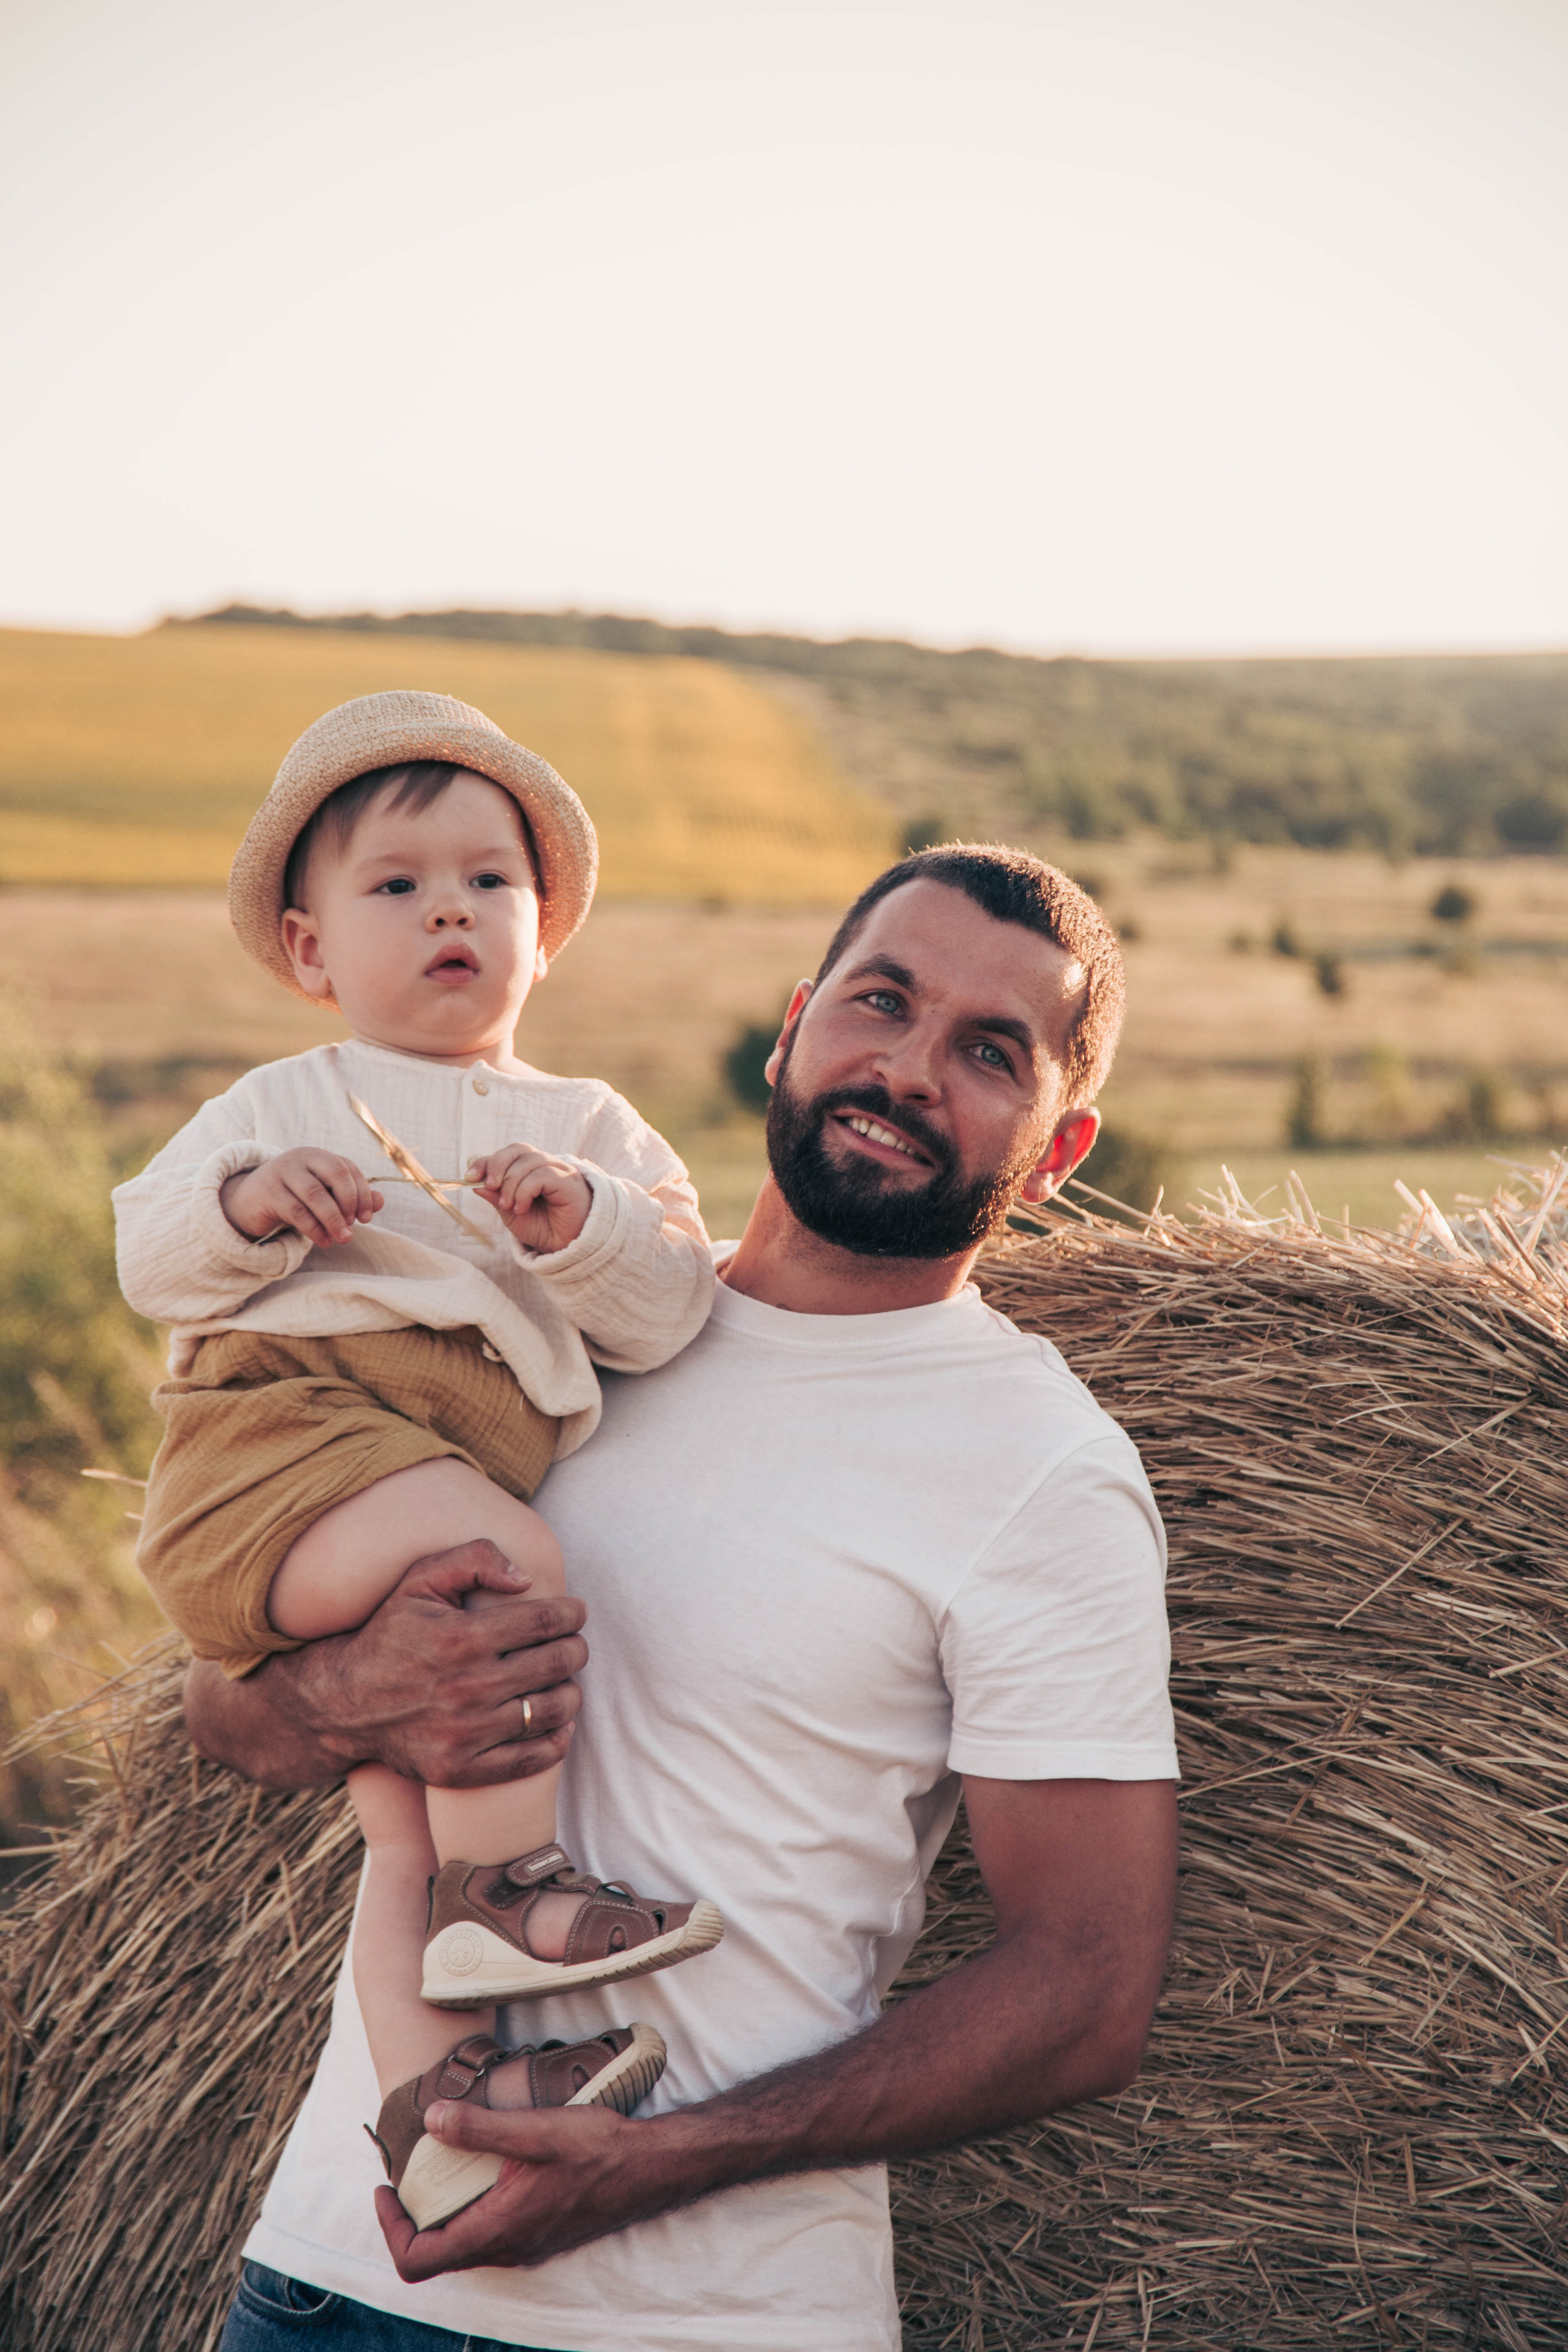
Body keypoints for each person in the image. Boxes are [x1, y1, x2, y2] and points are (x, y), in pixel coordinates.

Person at [190, 843, 1180, 2352]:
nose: (906, 1069)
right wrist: (342, 1692)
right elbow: (224, 1704)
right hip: (337, 2276)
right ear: (793, 1029)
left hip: (709, 2317)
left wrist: (658, 2166)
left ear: (1057, 1150)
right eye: (879, 1002)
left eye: (989, 1051)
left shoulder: (1042, 1474)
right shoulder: (529, 1327)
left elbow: (1087, 1983)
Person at [114, 690, 722, 2233]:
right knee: (496, 1566)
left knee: (399, 1815)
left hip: (396, 1472)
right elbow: (149, 1253)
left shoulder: (588, 1128)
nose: (448, 905)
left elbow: (668, 1304)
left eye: (488, 880)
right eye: (395, 884)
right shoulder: (281, 1102)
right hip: (277, 1447)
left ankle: (441, 2118)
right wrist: (247, 1201)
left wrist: (579, 1226)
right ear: (313, 949)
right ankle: (508, 1895)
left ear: (544, 928)